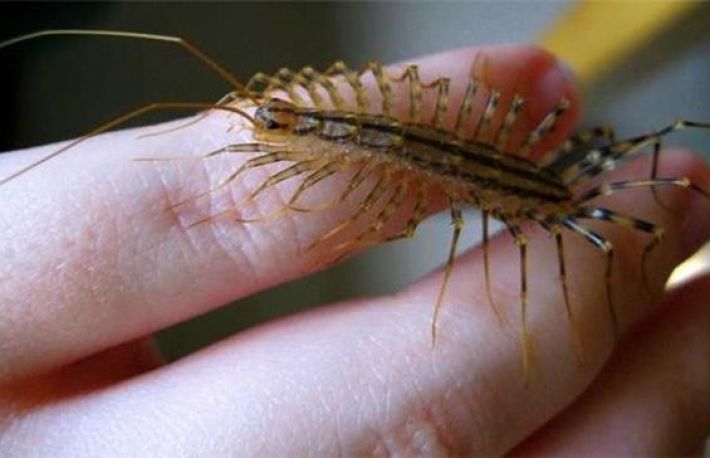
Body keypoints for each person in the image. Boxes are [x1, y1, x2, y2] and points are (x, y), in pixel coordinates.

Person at [0, 45, 707, 456]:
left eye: (277, 114)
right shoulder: (319, 133)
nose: (271, 120)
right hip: (494, 173)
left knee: (589, 233)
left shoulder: (322, 138)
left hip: (533, 195)